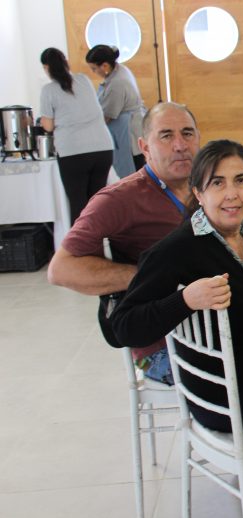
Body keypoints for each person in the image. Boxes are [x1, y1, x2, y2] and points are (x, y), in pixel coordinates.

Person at [112, 140, 243, 433]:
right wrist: (184, 300)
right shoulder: (177, 250)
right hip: (223, 396)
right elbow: (124, 327)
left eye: (240, 181)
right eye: (217, 183)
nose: (232, 194)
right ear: (199, 194)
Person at [47, 102, 200, 385]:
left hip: (212, 325)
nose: (180, 145)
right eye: (166, 135)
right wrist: (143, 278)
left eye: (188, 133)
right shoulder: (120, 198)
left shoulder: (206, 188)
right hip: (162, 344)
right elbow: (61, 270)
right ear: (144, 147)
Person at [38, 47, 114, 223]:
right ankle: (103, 245)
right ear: (66, 63)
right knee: (97, 203)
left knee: (79, 205)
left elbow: (48, 126)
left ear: (46, 68)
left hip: (73, 152)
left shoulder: (48, 90)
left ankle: (81, 249)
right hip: (102, 148)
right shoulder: (83, 80)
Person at [85, 44, 147, 178]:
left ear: (105, 66)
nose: (94, 72)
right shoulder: (120, 69)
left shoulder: (117, 83)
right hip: (131, 126)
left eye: (94, 69)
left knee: (133, 173)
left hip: (128, 131)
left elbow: (107, 116)